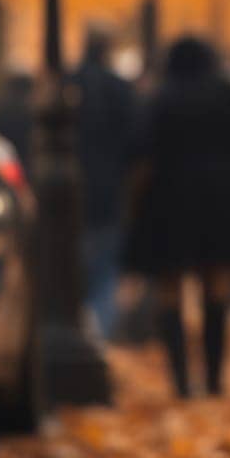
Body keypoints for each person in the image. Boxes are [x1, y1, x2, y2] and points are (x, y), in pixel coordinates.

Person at [123, 36, 230, 397]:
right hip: (220, 205)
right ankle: (214, 379)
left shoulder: (160, 97)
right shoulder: (223, 94)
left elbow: (141, 157)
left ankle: (181, 382)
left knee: (169, 294)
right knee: (217, 292)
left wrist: (134, 213)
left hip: (168, 206)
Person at [70, 26, 136, 333]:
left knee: (77, 261)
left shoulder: (67, 85)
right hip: (110, 190)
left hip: (74, 190)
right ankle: (102, 332)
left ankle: (83, 326)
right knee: (106, 266)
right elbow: (134, 142)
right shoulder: (120, 89)